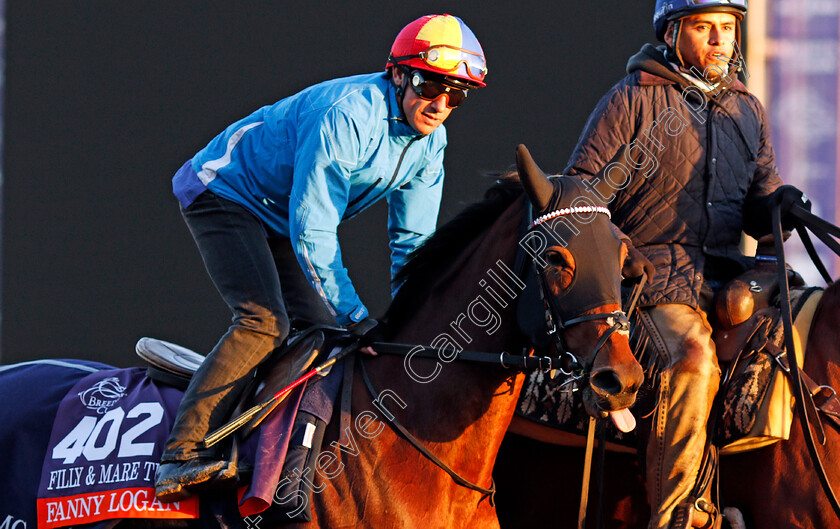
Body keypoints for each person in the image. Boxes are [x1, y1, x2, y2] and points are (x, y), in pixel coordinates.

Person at [154, 13, 488, 502]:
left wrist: (412, 322)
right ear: (397, 74)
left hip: (278, 213)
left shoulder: (430, 143)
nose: (439, 104)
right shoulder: (349, 115)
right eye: (430, 84)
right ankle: (179, 455)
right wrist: (357, 315)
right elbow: (313, 227)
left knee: (318, 335)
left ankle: (252, 447)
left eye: (456, 95)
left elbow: (412, 245)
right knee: (263, 322)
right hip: (223, 192)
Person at [564, 1, 809, 527]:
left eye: (727, 28)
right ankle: (678, 518)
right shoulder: (630, 101)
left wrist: (779, 206)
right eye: (704, 28)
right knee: (694, 360)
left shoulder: (748, 109)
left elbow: (759, 207)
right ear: (673, 33)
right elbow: (580, 202)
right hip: (651, 283)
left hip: (728, 277)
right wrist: (618, 258)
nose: (719, 40)